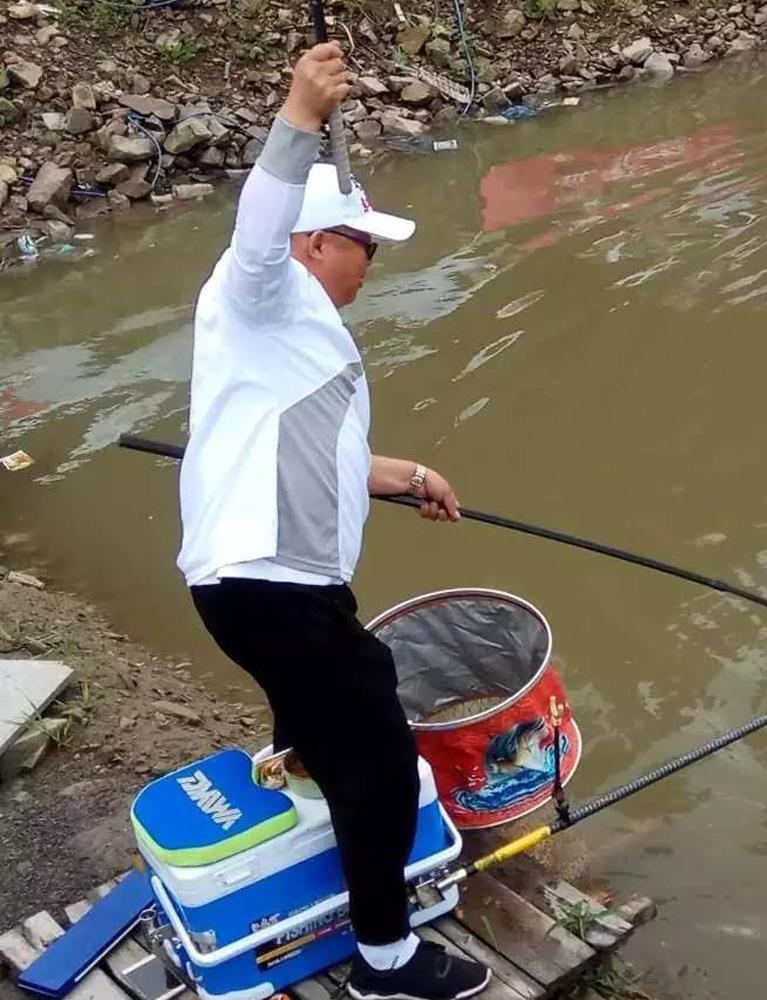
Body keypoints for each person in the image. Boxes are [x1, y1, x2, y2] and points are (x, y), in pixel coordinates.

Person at [175, 41, 491, 1000]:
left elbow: (319, 458)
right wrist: (300, 114)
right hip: (271, 584)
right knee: (381, 755)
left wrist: (408, 475)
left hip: (271, 585)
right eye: (363, 245)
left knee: (329, 716)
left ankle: (306, 793)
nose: (372, 264)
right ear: (314, 244)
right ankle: (386, 963)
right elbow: (256, 231)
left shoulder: (289, 343)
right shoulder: (260, 293)